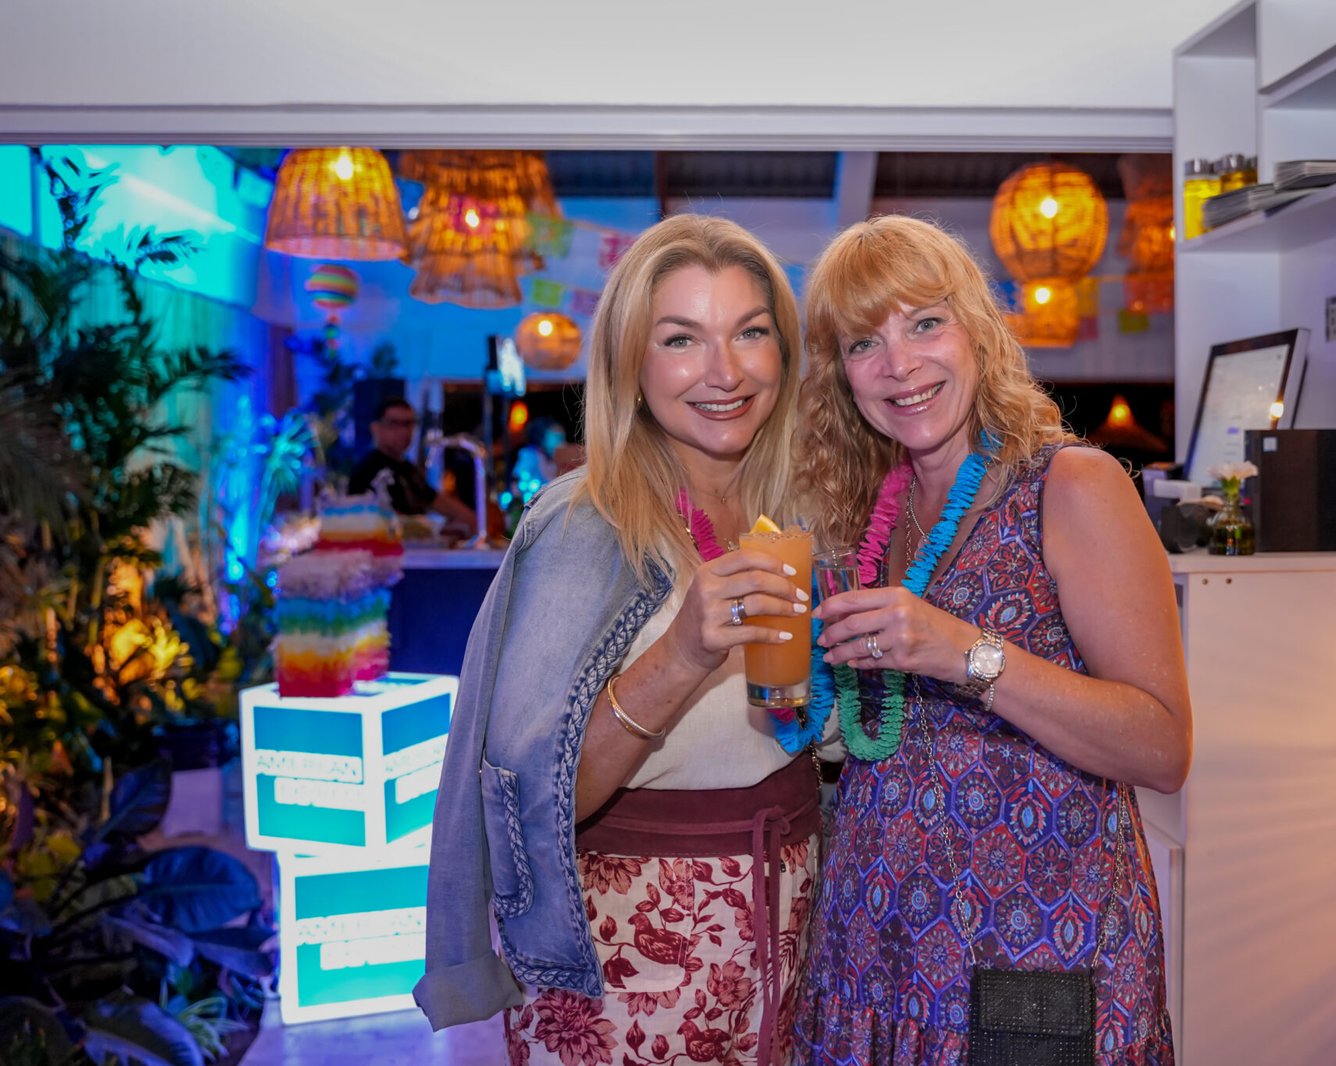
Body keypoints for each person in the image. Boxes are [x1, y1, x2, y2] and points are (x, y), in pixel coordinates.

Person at [416, 215, 822, 1066]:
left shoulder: (796, 512)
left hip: (786, 929)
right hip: (632, 952)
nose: (725, 371)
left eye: (751, 332)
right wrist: (683, 654)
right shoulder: (582, 524)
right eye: (682, 339)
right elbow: (534, 805)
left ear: (785, 357)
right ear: (629, 365)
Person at [790, 215, 1192, 1064]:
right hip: (870, 955)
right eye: (864, 343)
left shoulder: (1071, 486)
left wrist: (965, 654)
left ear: (975, 328)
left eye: (924, 324)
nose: (900, 364)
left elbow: (1161, 747)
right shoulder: (871, 512)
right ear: (841, 375)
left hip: (1033, 956)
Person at [348, 396, 478, 531]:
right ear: (376, 428)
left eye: (408, 424)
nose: (403, 431)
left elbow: (435, 500)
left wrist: (474, 521)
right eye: (394, 423)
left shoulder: (409, 470)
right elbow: (365, 523)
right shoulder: (366, 470)